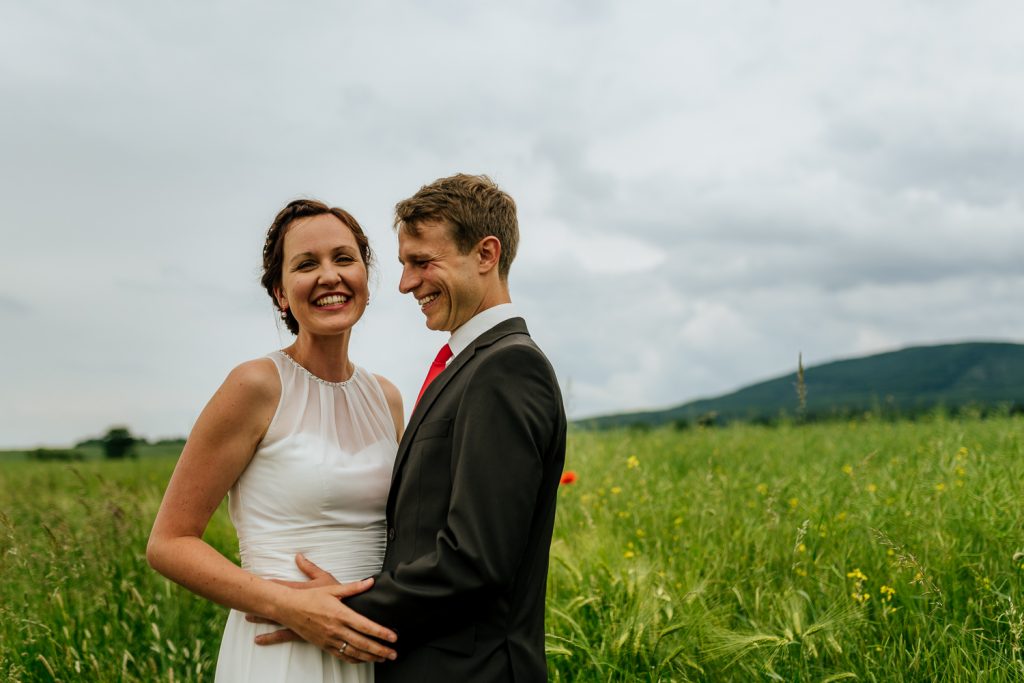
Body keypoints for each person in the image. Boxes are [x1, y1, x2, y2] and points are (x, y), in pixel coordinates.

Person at [256, 174, 568, 682]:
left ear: (486, 254)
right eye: (403, 265)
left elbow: (476, 559)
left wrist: (338, 610)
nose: (405, 283)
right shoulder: (467, 364)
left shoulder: (507, 368)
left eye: (422, 262)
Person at [147, 199, 404, 682]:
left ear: (366, 278)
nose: (330, 276)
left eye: (344, 258)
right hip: (286, 652)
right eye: (307, 264)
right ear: (281, 293)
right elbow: (169, 542)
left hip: (372, 647)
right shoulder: (256, 385)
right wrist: (291, 606)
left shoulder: (386, 397)